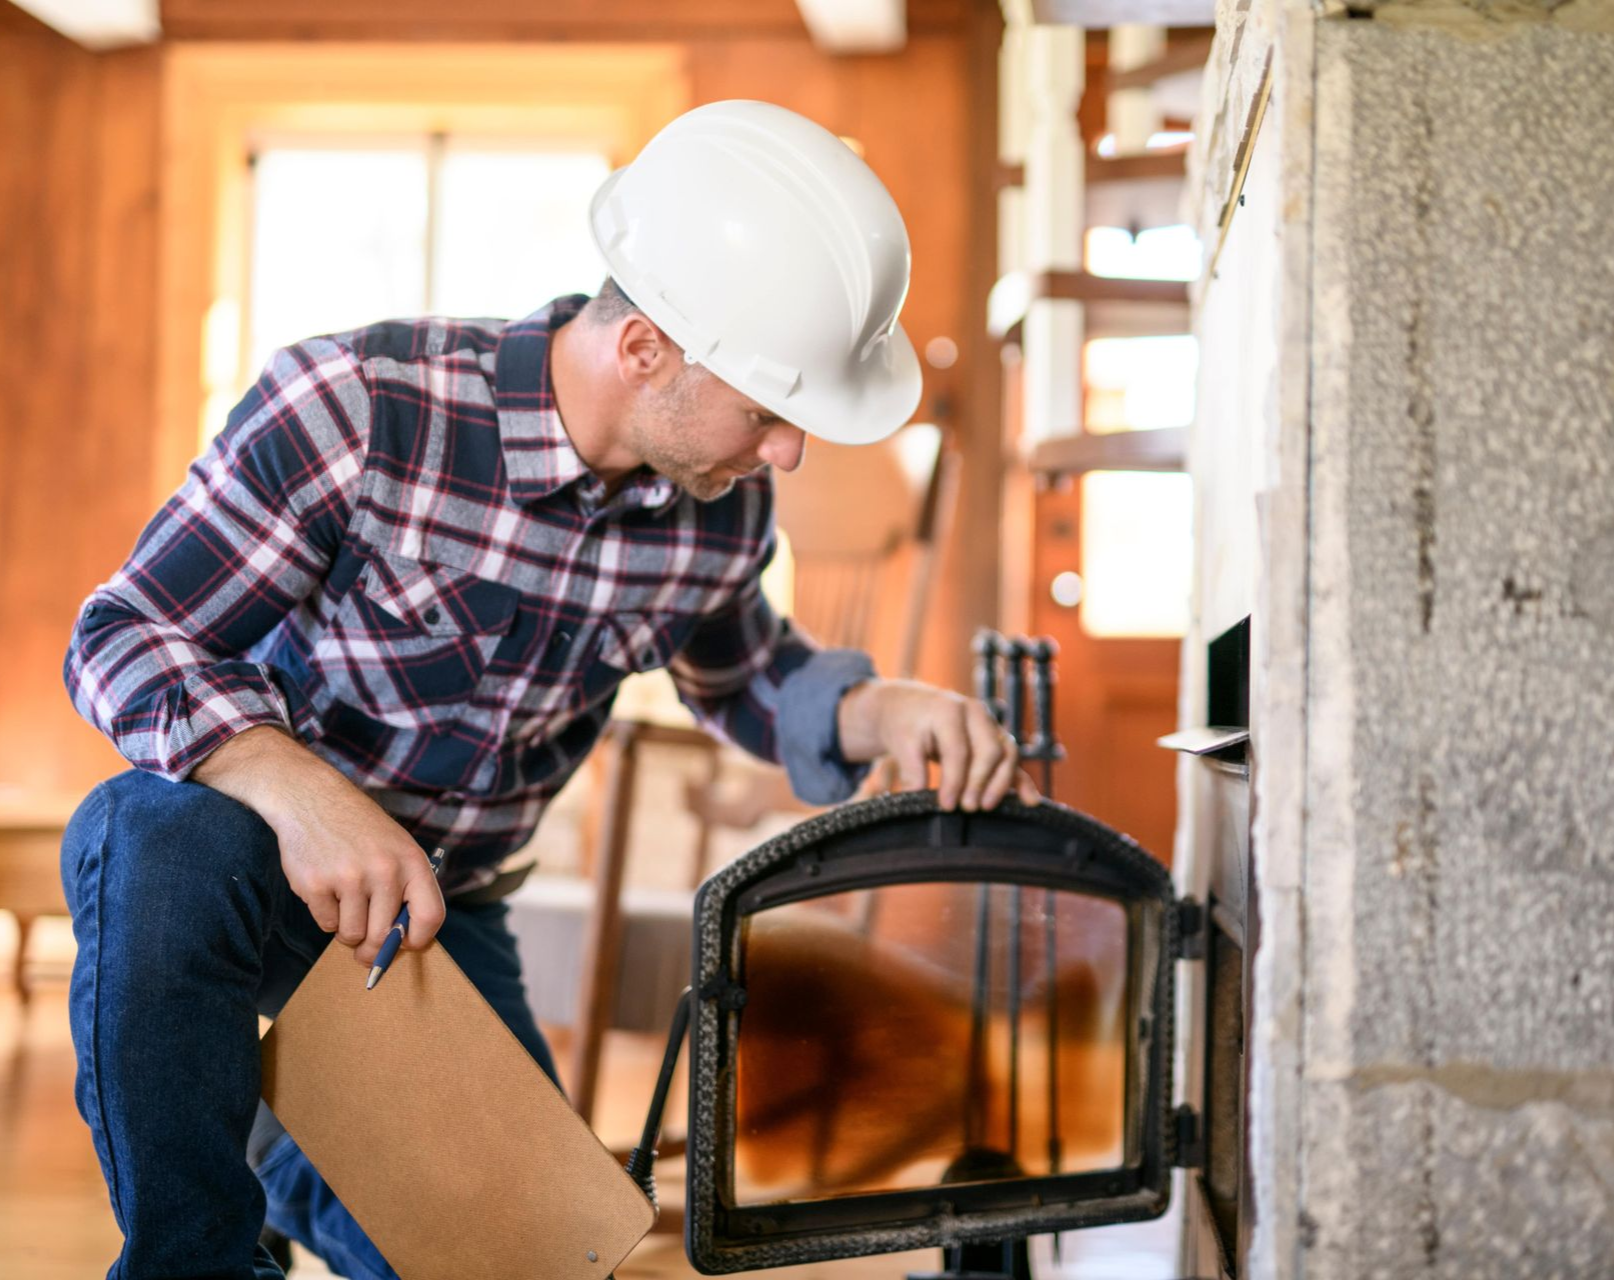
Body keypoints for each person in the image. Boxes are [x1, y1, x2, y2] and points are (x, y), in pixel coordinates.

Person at [58, 100, 1035, 1280]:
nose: (787, 452)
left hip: (435, 921)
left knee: (538, 1266)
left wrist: (879, 710)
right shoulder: (361, 406)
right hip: (261, 871)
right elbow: (122, 634)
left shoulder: (716, 509)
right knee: (150, 826)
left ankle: (290, 1129)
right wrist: (299, 788)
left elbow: (744, 673)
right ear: (645, 350)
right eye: (771, 411)